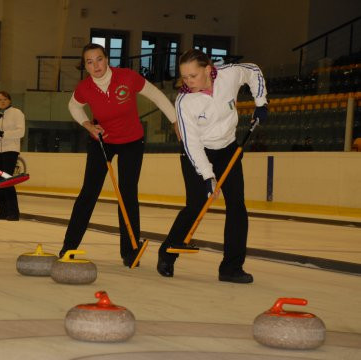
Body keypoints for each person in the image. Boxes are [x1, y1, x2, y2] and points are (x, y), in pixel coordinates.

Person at [58, 43, 177, 267]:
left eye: (99, 59)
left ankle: (130, 250)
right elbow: (74, 106)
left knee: (127, 194)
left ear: (107, 59)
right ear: (85, 66)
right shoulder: (84, 88)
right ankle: (68, 247)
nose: (96, 65)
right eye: (89, 62)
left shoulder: (127, 77)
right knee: (88, 194)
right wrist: (87, 125)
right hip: (101, 142)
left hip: (132, 142)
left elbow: (157, 95)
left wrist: (175, 121)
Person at [157, 49, 268, 283]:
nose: (188, 82)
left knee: (237, 206)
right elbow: (192, 144)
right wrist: (208, 176)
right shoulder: (185, 101)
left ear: (208, 70)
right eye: (184, 77)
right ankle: (167, 252)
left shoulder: (229, 75)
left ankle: (231, 267)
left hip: (228, 149)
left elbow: (253, 71)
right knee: (196, 205)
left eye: (193, 76)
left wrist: (261, 102)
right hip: (198, 153)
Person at [0, 90, 25, 221]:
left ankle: (13, 212)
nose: (2, 101)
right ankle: (2, 211)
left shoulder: (17, 113)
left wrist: (3, 134)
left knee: (7, 180)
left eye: (4, 99)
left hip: (11, 150)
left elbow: (21, 132)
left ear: (9, 100)